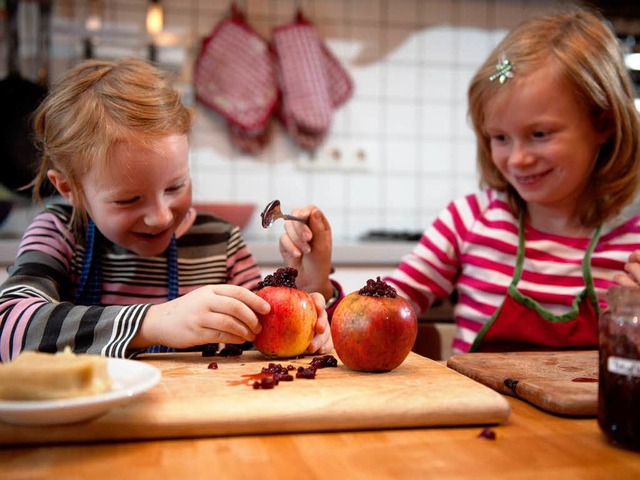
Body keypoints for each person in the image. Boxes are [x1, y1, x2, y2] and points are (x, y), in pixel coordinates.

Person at [285, 7, 640, 355]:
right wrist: (318, 282)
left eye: (540, 134)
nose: (517, 159)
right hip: (482, 412)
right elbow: (372, 315)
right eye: (500, 138)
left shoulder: (633, 241)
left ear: (603, 123)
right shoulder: (467, 221)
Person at [0, 57, 335, 363]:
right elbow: (9, 328)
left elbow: (275, 340)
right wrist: (154, 322)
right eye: (128, 200)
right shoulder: (59, 233)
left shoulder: (221, 242)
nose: (160, 216)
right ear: (70, 189)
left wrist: (312, 286)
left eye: (175, 187)